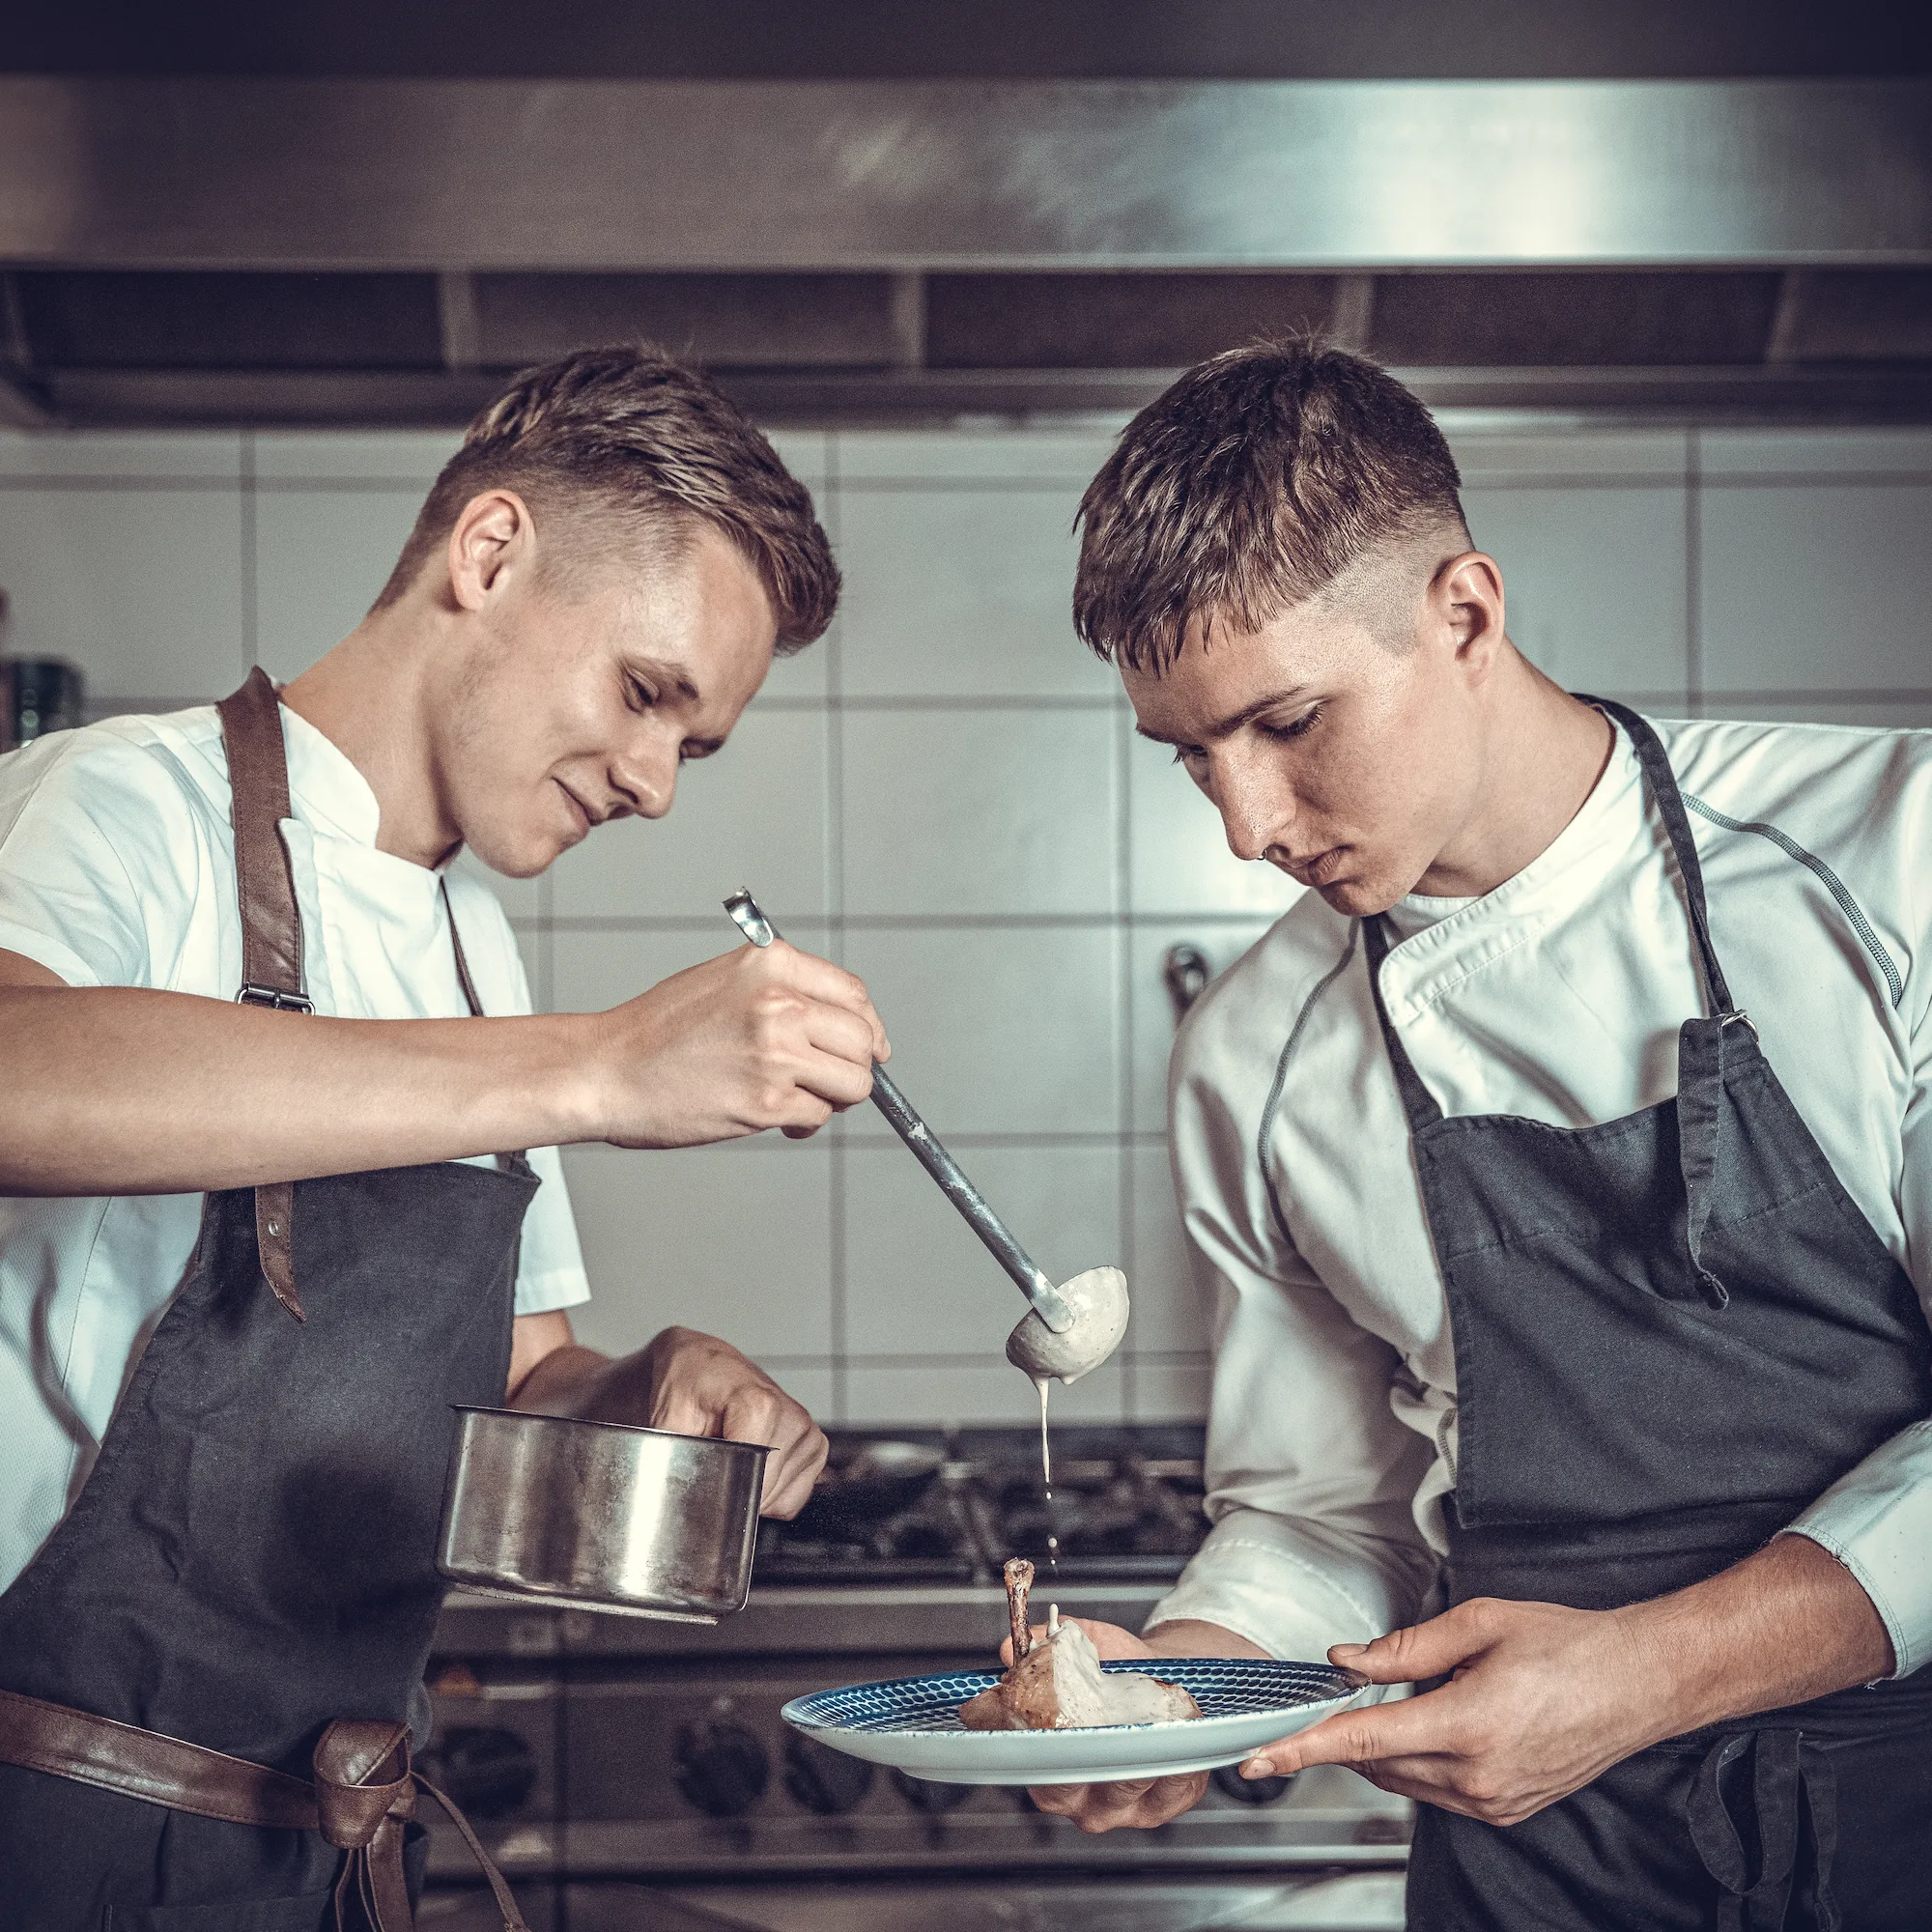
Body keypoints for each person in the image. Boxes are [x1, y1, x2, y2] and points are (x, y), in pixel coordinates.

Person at [1028, 341, 1932, 1928]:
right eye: (1193, 758)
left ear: (1465, 613)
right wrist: (1198, 1672)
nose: (1244, 828)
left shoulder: (1886, 866)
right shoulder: (1255, 1054)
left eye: (1289, 722)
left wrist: (1649, 1672)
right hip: (1542, 1874)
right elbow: (1326, 1509)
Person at [0, 345, 890, 1924]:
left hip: (331, 1852)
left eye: (696, 742)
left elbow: (516, 1379)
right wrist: (603, 1067)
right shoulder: (122, 806)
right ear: (489, 554)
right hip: (60, 1822)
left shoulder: (476, 942)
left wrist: (650, 1384)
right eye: (645, 695)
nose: (657, 784)